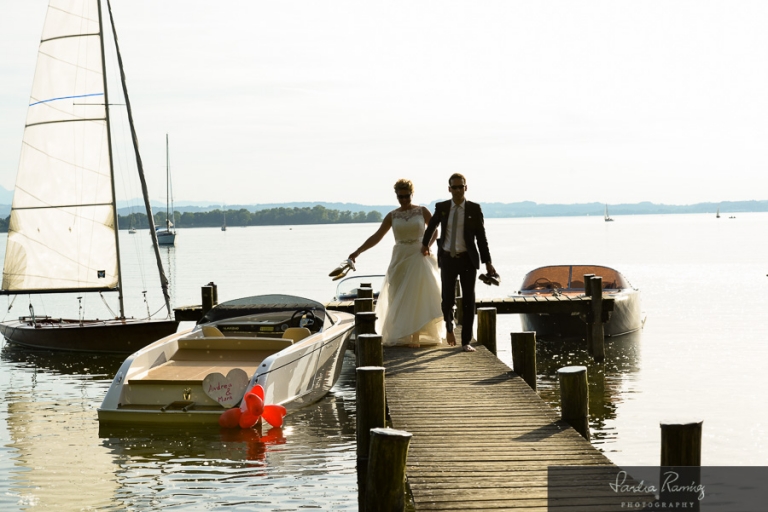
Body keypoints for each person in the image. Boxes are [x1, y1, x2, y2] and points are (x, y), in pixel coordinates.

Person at [349, 179, 445, 347]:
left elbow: (435, 230)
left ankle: (415, 336)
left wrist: (427, 246)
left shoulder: (422, 211)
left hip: (418, 254)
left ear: (412, 194)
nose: (404, 200)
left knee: (417, 294)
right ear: (396, 196)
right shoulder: (392, 215)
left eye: (406, 196)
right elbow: (377, 236)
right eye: (400, 197)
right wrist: (358, 251)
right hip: (399, 256)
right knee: (398, 295)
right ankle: (404, 334)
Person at [421, 173, 496, 352]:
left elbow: (481, 238)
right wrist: (424, 245)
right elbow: (431, 227)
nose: (457, 190)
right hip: (447, 258)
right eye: (454, 187)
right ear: (449, 189)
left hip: (467, 259)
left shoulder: (474, 209)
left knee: (469, 300)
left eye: (460, 187)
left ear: (465, 188)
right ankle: (449, 327)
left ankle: (466, 341)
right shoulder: (442, 207)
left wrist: (488, 262)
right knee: (447, 298)